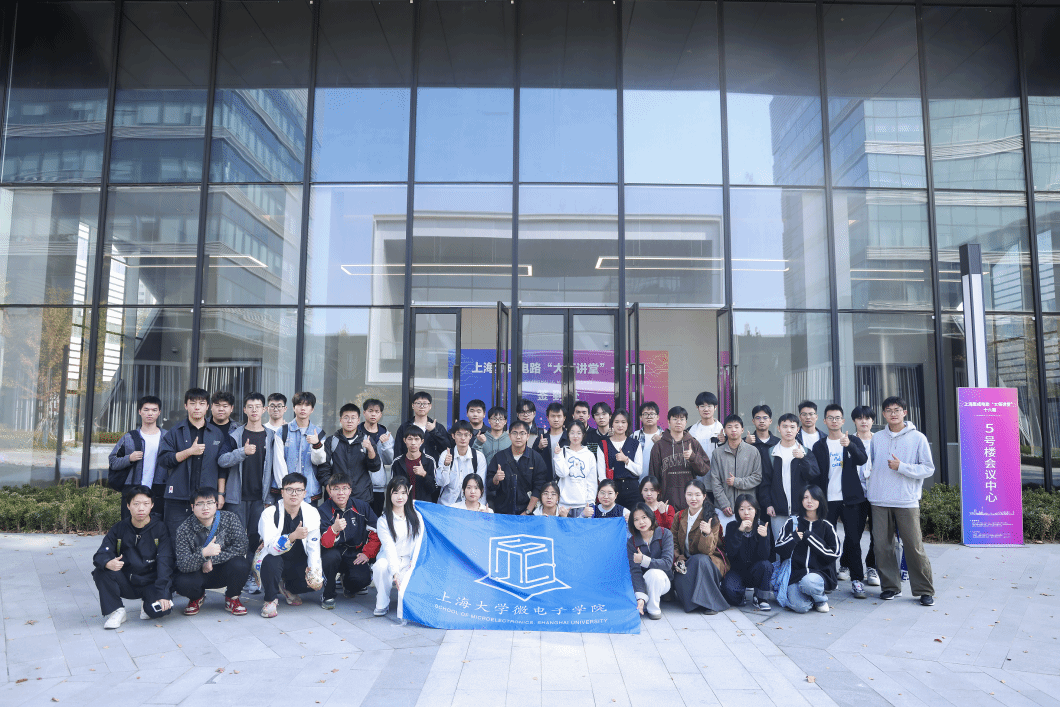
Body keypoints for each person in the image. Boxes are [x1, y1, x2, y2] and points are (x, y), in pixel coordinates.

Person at [867, 396, 936, 606]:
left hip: (906, 500)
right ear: (883, 414)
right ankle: (890, 587)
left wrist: (903, 467)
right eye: (888, 410)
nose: (893, 414)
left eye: (897, 410)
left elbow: (928, 468)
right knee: (882, 547)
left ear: (905, 412)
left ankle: (924, 590)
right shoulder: (877, 438)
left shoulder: (918, 438)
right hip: (879, 500)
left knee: (914, 546)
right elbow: (872, 465)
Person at [217, 393, 284, 595]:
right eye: (250, 406)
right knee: (237, 539)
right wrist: (242, 452)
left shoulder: (271, 436)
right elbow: (222, 460)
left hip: (261, 498)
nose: (254, 410)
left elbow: (275, 468)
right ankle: (237, 578)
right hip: (237, 497)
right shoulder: (235, 435)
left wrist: (270, 498)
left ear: (264, 410)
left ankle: (253, 577)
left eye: (258, 406)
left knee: (256, 539)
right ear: (244, 410)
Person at [91, 486, 174, 628]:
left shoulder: (160, 528)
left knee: (160, 611)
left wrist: (163, 593)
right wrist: (108, 562)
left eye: (146, 504)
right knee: (101, 571)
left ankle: (147, 604)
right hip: (127, 581)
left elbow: (165, 561)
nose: (141, 508)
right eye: (136, 504)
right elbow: (101, 554)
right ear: (128, 505)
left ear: (152, 505)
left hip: (151, 582)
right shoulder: (119, 528)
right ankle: (116, 611)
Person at [811, 404, 869, 598]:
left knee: (853, 541)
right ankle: (828, 578)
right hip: (827, 501)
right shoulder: (819, 445)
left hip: (850, 500)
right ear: (824, 421)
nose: (834, 421)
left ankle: (857, 580)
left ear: (843, 421)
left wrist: (849, 445)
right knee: (826, 541)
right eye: (830, 418)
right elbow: (815, 474)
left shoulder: (853, 440)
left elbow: (862, 459)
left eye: (837, 418)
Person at [158, 388, 228, 538]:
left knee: (205, 541)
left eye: (201, 403)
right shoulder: (175, 431)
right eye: (192, 403)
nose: (197, 407)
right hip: (178, 498)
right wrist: (189, 451)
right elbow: (164, 460)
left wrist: (220, 494)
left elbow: (222, 466)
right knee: (176, 540)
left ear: (207, 406)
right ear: (186, 405)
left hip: (206, 499)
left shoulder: (216, 433)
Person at [172, 486, 249, 616]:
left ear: (216, 505)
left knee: (241, 564)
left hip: (225, 569)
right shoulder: (183, 529)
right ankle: (197, 597)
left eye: (209, 503)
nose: (205, 507)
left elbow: (241, 546)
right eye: (200, 504)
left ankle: (232, 597)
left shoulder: (230, 518)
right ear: (192, 507)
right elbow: (183, 563)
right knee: (181, 582)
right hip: (199, 573)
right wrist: (203, 555)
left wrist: (211, 559)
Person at [256, 472, 324, 618]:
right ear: (282, 492)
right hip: (274, 559)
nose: (294, 494)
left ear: (305, 493)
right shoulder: (270, 513)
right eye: (289, 489)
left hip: (297, 560)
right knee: (271, 561)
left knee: (313, 584)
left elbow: (313, 547)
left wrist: (315, 574)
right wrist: (292, 536)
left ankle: (287, 587)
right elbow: (271, 549)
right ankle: (270, 600)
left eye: (299, 490)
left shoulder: (311, 512)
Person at [319, 472, 381, 608]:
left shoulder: (362, 506)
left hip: (355, 553)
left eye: (344, 488)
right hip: (333, 551)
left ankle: (347, 584)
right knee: (330, 558)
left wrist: (367, 553)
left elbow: (377, 532)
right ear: (330, 491)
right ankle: (328, 594)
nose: (341, 493)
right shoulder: (323, 510)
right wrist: (334, 529)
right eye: (336, 489)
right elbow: (324, 542)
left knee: (362, 580)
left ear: (350, 491)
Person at [774, 486, 840, 614]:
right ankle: (811, 596)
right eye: (806, 497)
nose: (809, 501)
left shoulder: (826, 526)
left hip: (819, 574)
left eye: (814, 498)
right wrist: (793, 538)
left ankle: (820, 600)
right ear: (801, 500)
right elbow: (779, 548)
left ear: (820, 501)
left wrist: (810, 537)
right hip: (795, 576)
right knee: (800, 607)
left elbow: (834, 553)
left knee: (808, 582)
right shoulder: (791, 523)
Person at [759, 413, 820, 542]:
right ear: (778, 428)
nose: (788, 430)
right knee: (780, 545)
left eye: (792, 427)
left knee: (801, 546)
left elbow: (813, 475)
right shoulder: (771, 452)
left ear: (798, 430)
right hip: (778, 511)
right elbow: (765, 482)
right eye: (785, 426)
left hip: (802, 510)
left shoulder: (805, 451)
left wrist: (803, 459)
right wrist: (768, 504)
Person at [671, 479, 728, 614]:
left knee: (700, 560)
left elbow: (707, 551)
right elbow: (673, 542)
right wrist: (679, 558)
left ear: (704, 496)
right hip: (686, 562)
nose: (693, 498)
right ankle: (696, 604)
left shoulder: (711, 518)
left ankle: (711, 604)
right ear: (685, 496)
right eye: (689, 494)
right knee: (679, 579)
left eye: (697, 495)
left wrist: (706, 534)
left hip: (709, 562)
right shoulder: (679, 516)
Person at [108, 395, 166, 520]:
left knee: (155, 526)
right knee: (129, 525)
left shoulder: (167, 437)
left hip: (158, 489)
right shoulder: (129, 437)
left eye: (154, 410)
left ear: (159, 412)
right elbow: (112, 461)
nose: (150, 413)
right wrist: (129, 458)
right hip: (132, 489)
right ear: (139, 411)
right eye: (146, 409)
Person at [373, 477, 422, 617]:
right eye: (395, 493)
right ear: (389, 494)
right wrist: (395, 572)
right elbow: (389, 547)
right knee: (380, 566)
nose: (400, 497)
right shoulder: (383, 520)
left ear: (408, 494)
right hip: (388, 559)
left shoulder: (416, 516)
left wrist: (414, 561)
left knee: (406, 604)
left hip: (408, 561)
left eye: (403, 493)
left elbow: (418, 541)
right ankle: (382, 601)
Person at [647, 406, 710, 511]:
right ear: (668, 422)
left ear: (686, 422)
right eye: (675, 419)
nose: (678, 422)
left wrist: (693, 457)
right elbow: (653, 475)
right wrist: (656, 500)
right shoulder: (659, 446)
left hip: (690, 501)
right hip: (666, 501)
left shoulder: (693, 443)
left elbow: (704, 469)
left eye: (682, 419)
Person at [319, 403, 381, 505]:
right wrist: (327, 485)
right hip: (336, 496)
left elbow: (375, 467)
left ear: (358, 420)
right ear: (340, 420)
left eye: (353, 418)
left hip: (361, 496)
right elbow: (323, 468)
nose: (350, 421)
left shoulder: (367, 440)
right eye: (346, 417)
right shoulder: (331, 441)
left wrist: (370, 450)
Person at [709, 414, 763, 530]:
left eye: (736, 426)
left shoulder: (753, 451)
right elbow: (715, 481)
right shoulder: (717, 453)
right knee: (724, 539)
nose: (733, 430)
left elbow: (757, 477)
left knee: (747, 538)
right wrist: (724, 504)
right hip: (724, 510)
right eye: (729, 427)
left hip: (747, 509)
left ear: (742, 429)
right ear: (724, 430)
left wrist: (737, 482)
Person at [722, 494, 774, 611]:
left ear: (756, 511)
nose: (746, 513)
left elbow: (765, 556)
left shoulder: (762, 526)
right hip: (736, 571)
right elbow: (730, 552)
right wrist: (739, 531)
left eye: (750, 509)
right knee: (730, 594)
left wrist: (764, 538)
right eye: (742, 509)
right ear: (737, 512)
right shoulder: (731, 526)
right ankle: (740, 595)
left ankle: (761, 598)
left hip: (755, 571)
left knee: (766, 565)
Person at [487, 420, 548, 515]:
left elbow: (539, 487)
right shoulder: (499, 457)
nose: (518, 437)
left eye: (522, 433)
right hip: (502, 513)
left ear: (528, 436)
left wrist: (527, 511)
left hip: (527, 512)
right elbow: (489, 485)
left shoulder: (536, 458)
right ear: (509, 436)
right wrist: (495, 479)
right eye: (514, 433)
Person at [278, 392, 328, 503]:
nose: (303, 408)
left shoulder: (319, 433)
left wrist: (316, 444)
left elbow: (319, 461)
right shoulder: (282, 431)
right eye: (299, 404)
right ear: (293, 408)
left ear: (312, 409)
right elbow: (278, 462)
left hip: (310, 489)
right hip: (287, 490)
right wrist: (285, 487)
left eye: (307, 405)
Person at [627, 502, 674, 620]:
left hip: (663, 581)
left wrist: (644, 560)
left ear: (651, 517)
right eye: (636, 519)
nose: (641, 522)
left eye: (644, 517)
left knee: (654, 573)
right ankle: (643, 601)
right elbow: (635, 571)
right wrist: (640, 597)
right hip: (644, 583)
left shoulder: (665, 534)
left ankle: (653, 608)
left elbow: (667, 563)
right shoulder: (632, 542)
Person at [852, 405, 880, 587]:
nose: (864, 421)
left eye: (867, 418)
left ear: (872, 421)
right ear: (854, 421)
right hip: (856, 493)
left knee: (877, 534)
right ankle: (848, 565)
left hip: (877, 493)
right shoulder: (848, 440)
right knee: (853, 533)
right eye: (860, 418)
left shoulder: (879, 441)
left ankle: (872, 567)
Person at [553, 421, 601, 516]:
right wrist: (558, 456)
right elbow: (562, 473)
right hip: (563, 504)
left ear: (583, 435)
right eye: (572, 433)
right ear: (568, 434)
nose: (575, 436)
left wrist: (590, 502)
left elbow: (592, 482)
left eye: (579, 433)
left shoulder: (589, 455)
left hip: (583, 505)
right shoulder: (562, 452)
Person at [597, 410, 642, 509]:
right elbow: (601, 474)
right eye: (616, 422)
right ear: (612, 423)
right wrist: (607, 492)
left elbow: (639, 471)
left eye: (623, 422)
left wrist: (626, 460)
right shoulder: (603, 444)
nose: (620, 425)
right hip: (612, 490)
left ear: (628, 424)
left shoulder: (635, 443)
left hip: (632, 490)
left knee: (633, 517)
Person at [437, 420, 488, 506]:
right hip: (447, 505)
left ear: (471, 436)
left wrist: (479, 507)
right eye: (459, 434)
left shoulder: (479, 457)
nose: (463, 438)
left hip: (470, 506)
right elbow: (441, 483)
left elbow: (480, 485)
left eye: (466, 434)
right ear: (453, 436)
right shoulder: (445, 454)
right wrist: (446, 466)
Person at [395, 391, 452, 461]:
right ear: (412, 405)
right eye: (418, 403)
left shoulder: (438, 427)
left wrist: (434, 431)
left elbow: (446, 449)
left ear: (430, 406)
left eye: (425, 403)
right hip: (408, 465)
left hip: (431, 466)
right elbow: (398, 450)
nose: (421, 406)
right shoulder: (404, 427)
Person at [392, 428, 439, 502]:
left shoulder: (429, 461)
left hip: (423, 504)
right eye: (410, 439)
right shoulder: (397, 462)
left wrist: (424, 474)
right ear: (404, 440)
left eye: (416, 439)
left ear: (422, 441)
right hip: (404, 503)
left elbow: (434, 488)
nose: (413, 443)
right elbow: (393, 488)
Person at [533, 401, 569, 478]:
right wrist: (539, 448)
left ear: (564, 418)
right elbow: (532, 461)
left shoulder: (570, 439)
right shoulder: (541, 439)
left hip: (565, 480)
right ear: (547, 418)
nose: (556, 419)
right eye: (553, 416)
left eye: (559, 416)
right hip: (545, 482)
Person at [360, 398, 395, 466]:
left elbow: (390, 461)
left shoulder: (385, 434)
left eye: (377, 412)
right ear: (364, 413)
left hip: (378, 472)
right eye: (370, 411)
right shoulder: (356, 432)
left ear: (381, 414)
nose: (373, 414)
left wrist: (385, 444)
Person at [632, 402, 662, 479]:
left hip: (658, 481)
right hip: (638, 481)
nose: (649, 417)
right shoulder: (634, 436)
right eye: (645, 414)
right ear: (640, 418)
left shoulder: (665, 436)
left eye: (652, 414)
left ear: (658, 417)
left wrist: (660, 444)